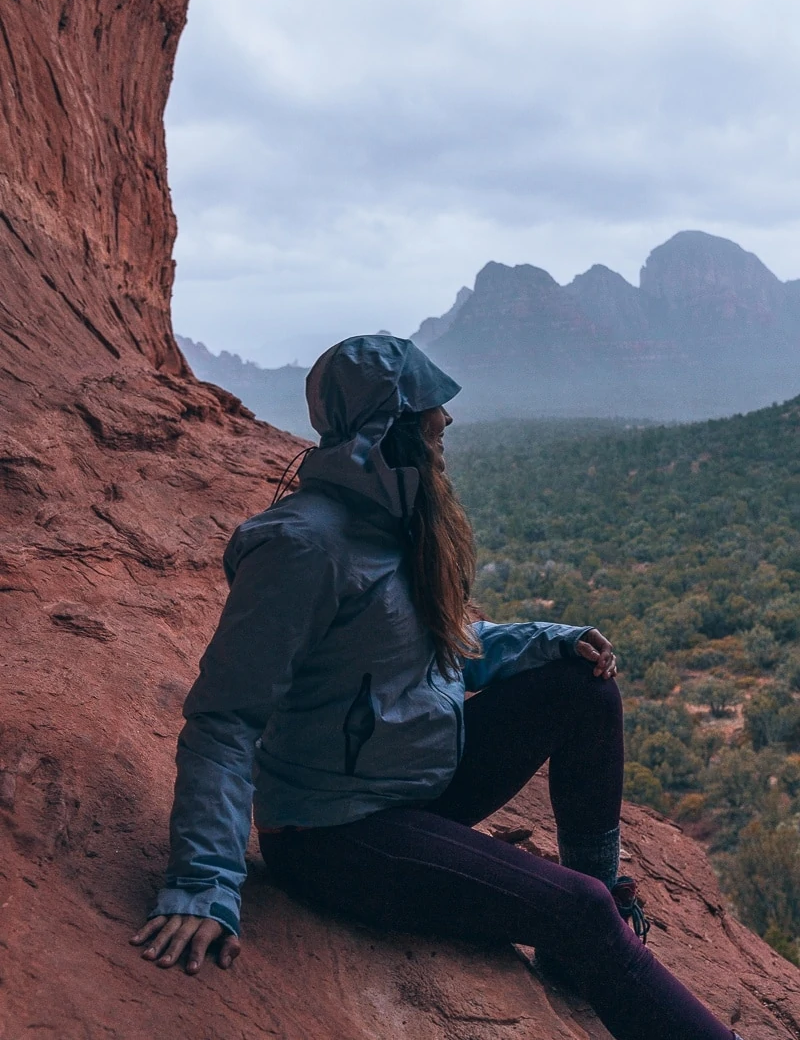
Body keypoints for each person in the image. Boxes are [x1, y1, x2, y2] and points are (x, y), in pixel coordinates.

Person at [131, 335, 744, 1040]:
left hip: (417, 785)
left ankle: (592, 923)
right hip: (336, 835)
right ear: (388, 425)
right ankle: (590, 930)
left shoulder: (399, 521)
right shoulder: (303, 548)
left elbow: (442, 650)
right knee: (578, 912)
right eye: (430, 409)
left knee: (584, 685)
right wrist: (205, 883)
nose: (445, 422)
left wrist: (550, 639)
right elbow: (225, 719)